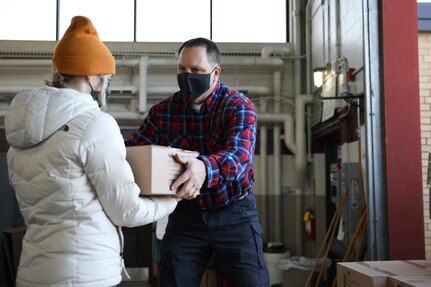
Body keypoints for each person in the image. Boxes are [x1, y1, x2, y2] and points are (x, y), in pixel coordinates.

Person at [4, 16, 178, 287]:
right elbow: (127, 211)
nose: (107, 82)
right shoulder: (95, 124)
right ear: (92, 75)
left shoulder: (19, 133)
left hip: (33, 270)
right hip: (85, 273)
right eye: (106, 76)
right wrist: (172, 199)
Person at [125, 37, 270, 287]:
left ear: (216, 73)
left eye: (196, 70)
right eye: (182, 69)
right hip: (186, 217)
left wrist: (203, 167)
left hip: (235, 213)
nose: (187, 76)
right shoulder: (162, 112)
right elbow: (136, 152)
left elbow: (240, 158)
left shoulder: (239, 106)